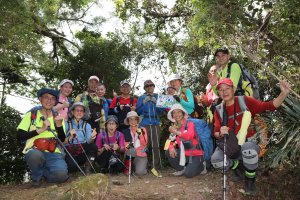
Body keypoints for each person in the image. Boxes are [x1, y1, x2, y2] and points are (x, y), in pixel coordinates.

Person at [211, 78, 291, 195]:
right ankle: (237, 166)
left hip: (248, 142)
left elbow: (269, 106)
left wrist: (283, 94)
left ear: (233, 89)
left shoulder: (244, 101)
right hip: (230, 144)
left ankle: (250, 180)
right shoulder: (218, 110)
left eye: (227, 88)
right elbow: (216, 132)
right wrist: (220, 133)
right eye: (221, 90)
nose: (224, 92)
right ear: (218, 93)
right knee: (216, 161)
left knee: (248, 150)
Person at [17, 88, 68, 187]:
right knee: (35, 156)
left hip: (53, 151)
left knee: (61, 176)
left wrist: (59, 126)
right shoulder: (32, 115)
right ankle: (37, 177)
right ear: (40, 99)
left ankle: (45, 173)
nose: (49, 101)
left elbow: (62, 139)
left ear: (55, 102)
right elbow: (20, 136)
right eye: (46, 97)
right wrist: (40, 130)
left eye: (52, 99)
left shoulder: (58, 117)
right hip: (35, 149)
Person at [165, 104, 205, 178]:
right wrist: (171, 147)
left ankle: (202, 166)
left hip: (196, 154)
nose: (176, 114)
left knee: (189, 174)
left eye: (179, 112)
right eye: (174, 112)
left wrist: (176, 132)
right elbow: (170, 140)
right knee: (168, 151)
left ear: (183, 113)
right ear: (172, 115)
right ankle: (181, 169)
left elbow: (189, 136)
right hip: (184, 154)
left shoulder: (189, 124)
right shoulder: (174, 126)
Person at [136, 80, 165, 177]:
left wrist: (157, 103)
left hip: (155, 122)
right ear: (144, 88)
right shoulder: (141, 97)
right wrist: (143, 103)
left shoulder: (158, 96)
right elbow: (138, 111)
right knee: (144, 145)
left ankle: (155, 167)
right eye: (147, 86)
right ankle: (144, 166)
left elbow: (162, 111)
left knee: (155, 146)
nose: (149, 87)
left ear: (153, 86)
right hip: (144, 123)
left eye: (151, 85)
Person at [64, 102, 98, 174]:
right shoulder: (66, 124)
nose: (79, 112)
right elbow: (62, 142)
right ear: (72, 112)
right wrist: (70, 136)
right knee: (72, 167)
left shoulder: (87, 125)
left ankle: (88, 167)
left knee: (93, 146)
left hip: (82, 151)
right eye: (77, 110)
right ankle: (78, 166)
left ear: (84, 113)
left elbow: (89, 142)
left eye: (81, 111)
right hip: (69, 151)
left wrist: (93, 137)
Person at [122, 111, 148, 176]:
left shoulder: (142, 129)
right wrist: (132, 144)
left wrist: (140, 134)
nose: (133, 121)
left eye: (135, 119)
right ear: (128, 121)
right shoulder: (125, 131)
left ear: (137, 120)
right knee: (131, 149)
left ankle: (140, 167)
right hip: (130, 154)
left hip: (141, 154)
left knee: (140, 173)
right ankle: (128, 168)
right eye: (130, 119)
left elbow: (144, 144)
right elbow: (126, 147)